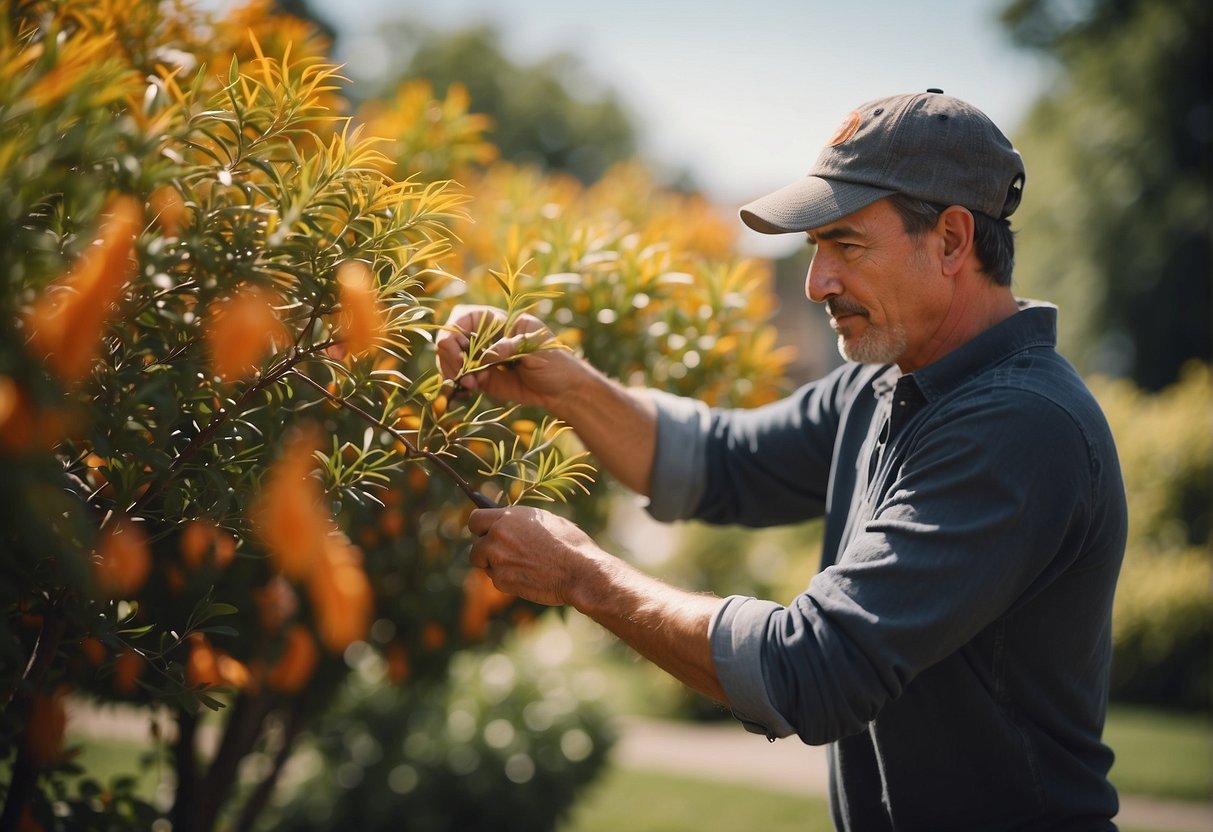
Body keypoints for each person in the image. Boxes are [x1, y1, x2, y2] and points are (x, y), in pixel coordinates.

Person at [436, 90, 1128, 830]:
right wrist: (566, 384)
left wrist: (583, 575)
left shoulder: (1018, 428)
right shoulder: (885, 380)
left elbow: (811, 670)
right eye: (814, 248)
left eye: (846, 245)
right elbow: (719, 463)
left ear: (952, 242)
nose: (815, 283)